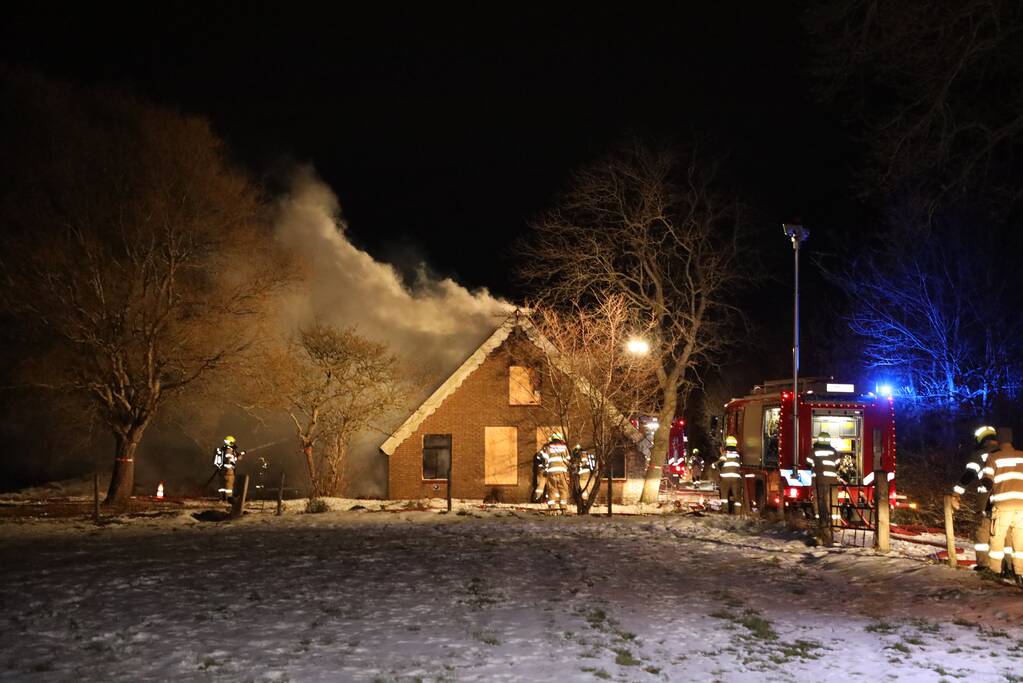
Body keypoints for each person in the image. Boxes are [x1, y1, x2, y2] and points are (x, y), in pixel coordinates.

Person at [950, 425, 999, 569]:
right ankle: (1008, 568)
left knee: (982, 533)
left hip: (986, 502)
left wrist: (956, 492)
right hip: (1008, 501)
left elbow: (969, 474)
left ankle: (984, 565)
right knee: (1006, 535)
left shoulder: (980, 454)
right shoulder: (1005, 453)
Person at [985, 428, 1023, 583]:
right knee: (1020, 543)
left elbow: (987, 481)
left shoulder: (994, 457)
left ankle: (995, 572)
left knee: (997, 539)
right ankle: (1020, 573)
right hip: (1022, 506)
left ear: (999, 440)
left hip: (1002, 505)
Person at [808, 432, 839, 543]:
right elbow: (837, 464)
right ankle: (835, 526)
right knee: (833, 503)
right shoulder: (833, 451)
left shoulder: (814, 451)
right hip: (832, 482)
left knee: (820, 504)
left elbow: (808, 463)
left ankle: (822, 524)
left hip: (819, 482)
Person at [541, 433, 571, 513]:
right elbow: (568, 459)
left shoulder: (548, 447)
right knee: (563, 490)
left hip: (551, 472)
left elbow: (545, 460)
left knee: (551, 490)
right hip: (562, 472)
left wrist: (545, 469)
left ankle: (551, 509)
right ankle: (563, 508)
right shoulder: (564, 448)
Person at [214, 435, 244, 501]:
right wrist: (237, 457)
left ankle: (221, 498)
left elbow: (234, 458)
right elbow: (229, 459)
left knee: (222, 486)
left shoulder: (223, 449)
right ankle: (228, 499)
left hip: (221, 471)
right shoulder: (229, 450)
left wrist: (237, 455)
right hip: (228, 471)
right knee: (229, 486)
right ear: (231, 442)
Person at [718, 435, 743, 514]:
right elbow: (739, 465)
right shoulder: (737, 455)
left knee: (724, 497)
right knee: (737, 497)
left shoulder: (724, 454)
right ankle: (737, 513)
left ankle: (725, 511)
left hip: (725, 479)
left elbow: (720, 464)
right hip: (735, 479)